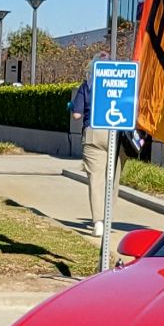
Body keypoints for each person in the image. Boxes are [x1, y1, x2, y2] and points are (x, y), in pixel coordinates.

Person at [68, 51, 112, 236]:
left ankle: (98, 222)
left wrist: (72, 106)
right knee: (112, 178)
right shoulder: (120, 84)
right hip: (115, 133)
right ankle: (109, 217)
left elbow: (77, 115)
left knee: (96, 179)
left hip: (93, 133)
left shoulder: (87, 85)